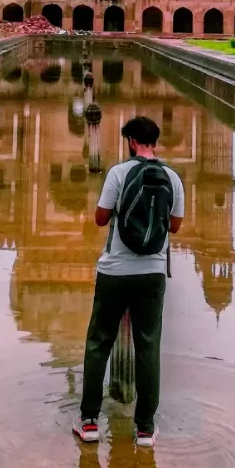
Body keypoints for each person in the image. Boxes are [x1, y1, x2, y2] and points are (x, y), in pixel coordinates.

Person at [73, 115, 184, 449]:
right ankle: (146, 428)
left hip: (115, 272)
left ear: (132, 141)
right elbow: (175, 226)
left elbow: (100, 218)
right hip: (152, 273)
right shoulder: (173, 177)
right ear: (155, 141)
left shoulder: (119, 173)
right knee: (148, 347)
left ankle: (89, 422)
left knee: (98, 343)